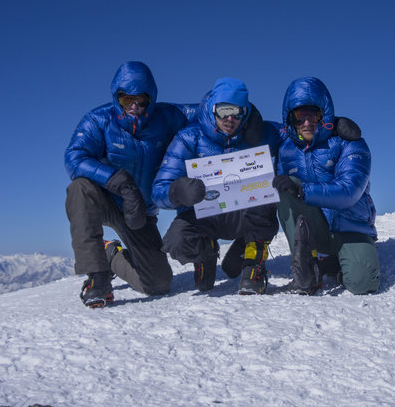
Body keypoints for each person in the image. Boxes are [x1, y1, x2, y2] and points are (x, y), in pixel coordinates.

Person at [64, 61, 194, 308]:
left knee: (158, 284)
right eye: (126, 100)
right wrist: (119, 181)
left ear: (151, 98)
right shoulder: (98, 120)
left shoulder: (167, 117)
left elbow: (207, 111)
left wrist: (236, 107)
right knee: (80, 188)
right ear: (117, 97)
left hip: (140, 213)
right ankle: (98, 279)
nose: (134, 107)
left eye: (141, 100)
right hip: (106, 200)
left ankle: (110, 254)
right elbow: (74, 158)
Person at [153, 77, 283, 295]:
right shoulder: (189, 138)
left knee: (263, 193)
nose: (230, 118)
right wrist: (177, 191)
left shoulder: (265, 133)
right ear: (213, 109)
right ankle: (207, 251)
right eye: (224, 111)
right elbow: (159, 190)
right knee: (177, 242)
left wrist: (334, 128)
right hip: (205, 215)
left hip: (247, 212)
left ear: (246, 112)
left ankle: (253, 262)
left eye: (237, 112)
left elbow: (301, 129)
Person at [272, 77, 379, 296]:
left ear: (324, 115)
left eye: (314, 115)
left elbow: (350, 190)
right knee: (284, 186)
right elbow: (251, 129)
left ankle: (336, 262)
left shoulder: (350, 141)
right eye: (300, 117)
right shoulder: (284, 149)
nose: (307, 123)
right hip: (316, 229)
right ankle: (307, 268)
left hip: (350, 225)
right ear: (290, 118)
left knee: (362, 283)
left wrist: (304, 191)